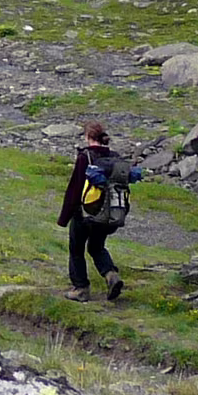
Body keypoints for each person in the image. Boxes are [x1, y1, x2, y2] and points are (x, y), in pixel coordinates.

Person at [57, 120, 127, 301]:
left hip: (85, 213)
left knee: (76, 249)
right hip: (108, 214)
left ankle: (81, 289)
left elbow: (75, 189)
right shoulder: (115, 157)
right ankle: (111, 275)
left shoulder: (85, 157)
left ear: (88, 136)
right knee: (96, 247)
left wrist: (64, 218)